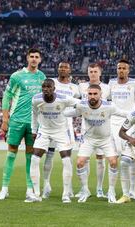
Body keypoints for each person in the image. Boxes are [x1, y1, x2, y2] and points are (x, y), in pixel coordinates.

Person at [0, 48, 46, 202]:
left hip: (34, 123)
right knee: (11, 152)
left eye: (36, 57)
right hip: (17, 120)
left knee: (31, 156)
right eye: (31, 56)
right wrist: (5, 120)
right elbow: (6, 97)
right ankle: (4, 188)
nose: (34, 59)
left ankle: (29, 190)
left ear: (40, 59)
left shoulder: (42, 77)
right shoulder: (17, 76)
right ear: (27, 58)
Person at [64, 84, 127, 203]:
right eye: (90, 94)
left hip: (106, 139)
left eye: (95, 94)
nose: (92, 96)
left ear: (100, 94)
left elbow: (123, 113)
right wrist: (55, 110)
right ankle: (85, 189)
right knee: (80, 163)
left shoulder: (109, 106)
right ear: (87, 94)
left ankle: (111, 190)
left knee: (113, 162)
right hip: (89, 139)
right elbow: (71, 113)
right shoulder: (82, 105)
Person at [30, 79, 79, 203]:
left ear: (54, 88)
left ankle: (65, 194)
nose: (46, 89)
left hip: (61, 131)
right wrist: (34, 130)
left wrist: (68, 113)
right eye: (44, 87)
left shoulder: (64, 98)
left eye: (49, 87)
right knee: (35, 159)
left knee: (67, 161)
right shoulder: (36, 99)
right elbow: (34, 115)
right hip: (44, 131)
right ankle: (36, 194)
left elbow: (80, 105)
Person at [41, 61, 80, 199]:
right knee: (49, 154)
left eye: (66, 67)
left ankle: (68, 189)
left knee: (67, 156)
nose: (63, 69)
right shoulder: (51, 84)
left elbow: (79, 106)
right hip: (51, 123)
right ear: (58, 69)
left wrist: (71, 114)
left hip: (66, 124)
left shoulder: (75, 88)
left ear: (70, 70)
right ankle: (46, 185)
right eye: (61, 67)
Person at [77, 63, 111, 198]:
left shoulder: (107, 88)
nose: (93, 74)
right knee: (83, 159)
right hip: (86, 127)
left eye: (95, 71)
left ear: (100, 73)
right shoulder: (81, 87)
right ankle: (84, 188)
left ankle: (99, 188)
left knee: (100, 158)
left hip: (101, 127)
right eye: (90, 71)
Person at [109, 59, 135, 198]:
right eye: (119, 68)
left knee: (130, 157)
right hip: (114, 123)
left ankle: (132, 190)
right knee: (114, 157)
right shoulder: (111, 83)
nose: (121, 70)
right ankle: (112, 189)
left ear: (128, 70)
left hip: (129, 123)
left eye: (124, 68)